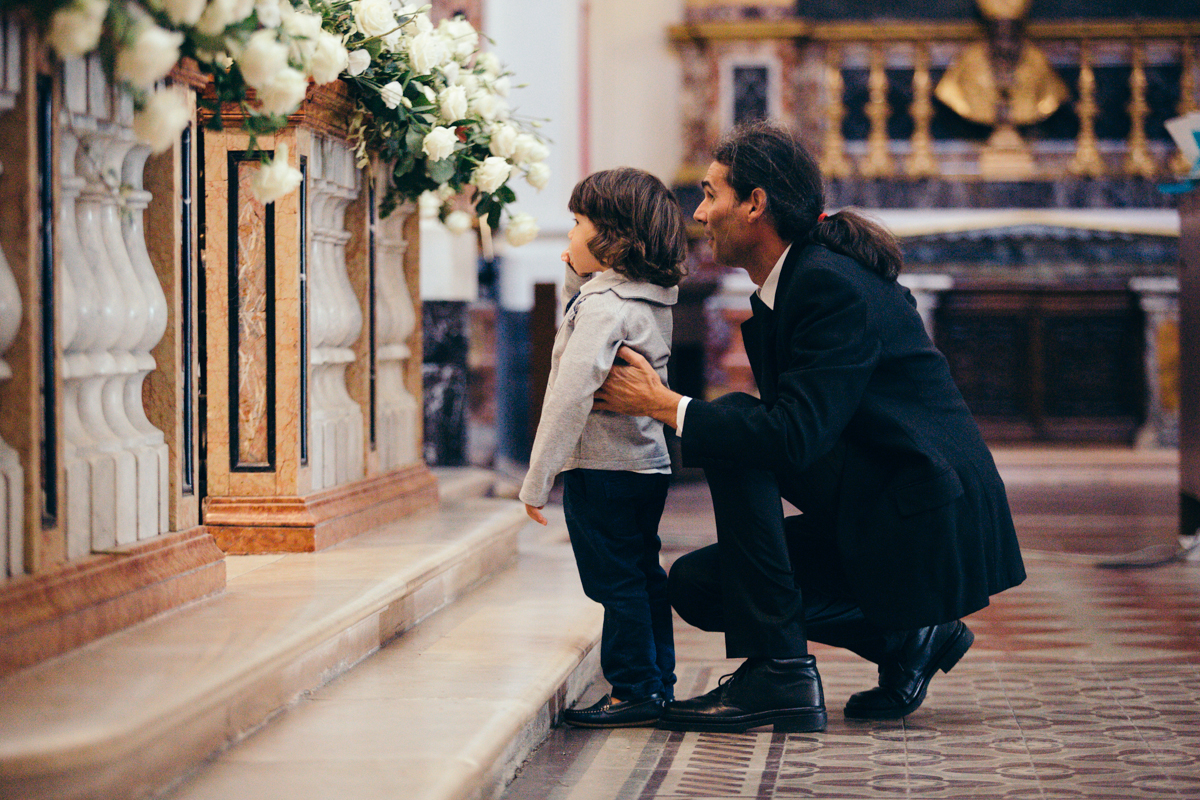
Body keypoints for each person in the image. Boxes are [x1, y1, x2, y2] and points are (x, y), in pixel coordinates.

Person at [593, 121, 1026, 733]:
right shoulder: (799, 280)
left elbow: (793, 436)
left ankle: (782, 672)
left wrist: (665, 404)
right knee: (696, 586)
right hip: (881, 505)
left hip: (926, 518)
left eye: (711, 194)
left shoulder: (827, 282)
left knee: (738, 423)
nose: (699, 212)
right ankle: (904, 640)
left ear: (755, 203)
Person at [520, 167, 688, 728]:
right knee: (640, 573)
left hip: (603, 466)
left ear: (611, 237)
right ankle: (655, 681)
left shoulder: (602, 308)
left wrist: (537, 479)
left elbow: (568, 395)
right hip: (645, 464)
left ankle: (634, 690)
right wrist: (577, 278)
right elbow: (586, 318)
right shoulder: (644, 299)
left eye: (576, 224)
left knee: (614, 580)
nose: (568, 237)